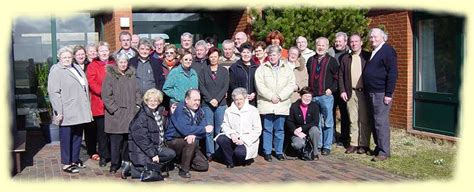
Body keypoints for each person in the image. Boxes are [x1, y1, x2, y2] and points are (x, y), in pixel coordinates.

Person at [48, 46, 93, 173]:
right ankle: (66, 163)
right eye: (64, 57)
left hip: (79, 108)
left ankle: (74, 160)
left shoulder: (76, 67)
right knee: (66, 137)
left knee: (78, 136)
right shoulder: (56, 70)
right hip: (67, 109)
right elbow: (53, 92)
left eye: (69, 57)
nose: (67, 59)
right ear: (59, 58)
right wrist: (58, 111)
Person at [255, 45, 296, 162]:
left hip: (281, 104)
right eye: (270, 55)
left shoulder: (287, 69)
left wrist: (280, 96)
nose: (272, 57)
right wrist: (271, 96)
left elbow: (291, 84)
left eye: (274, 55)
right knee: (267, 129)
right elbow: (260, 85)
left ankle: (278, 152)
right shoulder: (262, 69)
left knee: (279, 129)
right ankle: (267, 152)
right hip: (267, 103)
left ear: (279, 56)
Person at [102, 53, 141, 173]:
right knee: (115, 141)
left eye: (125, 62)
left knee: (127, 141)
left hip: (130, 113)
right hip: (116, 116)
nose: (123, 64)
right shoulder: (110, 75)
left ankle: (126, 163)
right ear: (116, 63)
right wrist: (114, 109)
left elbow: (137, 92)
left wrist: (137, 105)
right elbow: (106, 95)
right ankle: (114, 164)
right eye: (121, 62)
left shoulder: (132, 75)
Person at [362, 28, 398, 162]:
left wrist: (388, 93)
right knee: (373, 121)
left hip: (381, 93)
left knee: (380, 122)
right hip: (371, 92)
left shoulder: (388, 51)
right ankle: (378, 147)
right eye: (371, 37)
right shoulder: (374, 51)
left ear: (383, 37)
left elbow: (392, 73)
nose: (372, 39)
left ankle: (384, 152)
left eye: (375, 37)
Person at [127, 88, 176, 180]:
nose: (153, 103)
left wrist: (171, 114)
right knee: (144, 172)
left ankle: (152, 167)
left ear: (159, 101)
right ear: (146, 101)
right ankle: (133, 169)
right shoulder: (142, 116)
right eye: (150, 100)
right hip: (142, 149)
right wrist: (152, 154)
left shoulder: (159, 112)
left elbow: (164, 128)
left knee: (171, 154)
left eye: (155, 101)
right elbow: (142, 139)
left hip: (157, 146)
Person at [165, 89, 213, 178]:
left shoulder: (200, 111)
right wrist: (201, 130)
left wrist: (194, 133)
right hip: (173, 140)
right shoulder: (180, 109)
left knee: (203, 165)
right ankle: (184, 170)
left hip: (189, 141)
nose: (197, 103)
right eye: (195, 100)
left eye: (198, 100)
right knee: (191, 142)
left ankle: (180, 162)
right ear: (187, 100)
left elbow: (203, 132)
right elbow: (185, 129)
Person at [339, 34, 372, 154]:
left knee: (364, 119)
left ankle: (364, 144)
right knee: (353, 119)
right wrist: (342, 90)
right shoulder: (345, 58)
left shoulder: (367, 56)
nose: (354, 44)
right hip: (350, 92)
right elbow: (341, 76)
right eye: (351, 42)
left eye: (356, 41)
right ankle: (353, 143)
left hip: (364, 92)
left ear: (361, 43)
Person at [306, 37, 338, 156]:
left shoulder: (332, 61)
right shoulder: (311, 60)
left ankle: (327, 145)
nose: (320, 47)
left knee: (328, 122)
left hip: (325, 96)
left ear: (327, 47)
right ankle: (318, 145)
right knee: (316, 121)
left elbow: (337, 77)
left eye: (323, 45)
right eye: (318, 45)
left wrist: (332, 89)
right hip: (313, 96)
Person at [215, 88, 262, 168]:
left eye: (241, 99)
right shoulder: (229, 110)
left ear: (245, 98)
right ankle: (230, 161)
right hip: (234, 138)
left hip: (247, 140)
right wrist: (232, 134)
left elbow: (257, 130)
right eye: (236, 99)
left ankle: (243, 159)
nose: (238, 101)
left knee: (240, 153)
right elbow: (225, 125)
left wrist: (243, 140)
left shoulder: (253, 110)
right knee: (221, 139)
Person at [86, 41, 115, 167]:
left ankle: (114, 155)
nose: (104, 53)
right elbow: (91, 82)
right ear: (97, 53)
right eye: (101, 50)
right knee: (102, 132)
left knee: (114, 132)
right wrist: (104, 93)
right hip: (100, 103)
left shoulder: (114, 64)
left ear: (109, 51)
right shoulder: (93, 65)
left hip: (114, 103)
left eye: (106, 50)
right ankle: (104, 156)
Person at [198, 47, 229, 159]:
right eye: (211, 57)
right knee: (209, 130)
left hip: (221, 104)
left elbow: (225, 86)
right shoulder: (203, 70)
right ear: (208, 57)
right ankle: (210, 153)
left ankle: (218, 152)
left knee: (219, 130)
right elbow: (201, 86)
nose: (213, 59)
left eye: (215, 56)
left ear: (218, 57)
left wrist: (217, 99)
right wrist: (210, 99)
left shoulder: (224, 71)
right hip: (207, 104)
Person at [328, 32, 351, 147]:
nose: (337, 43)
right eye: (336, 41)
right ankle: (331, 137)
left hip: (344, 89)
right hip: (331, 88)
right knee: (330, 113)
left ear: (345, 42)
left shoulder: (349, 53)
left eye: (340, 42)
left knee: (345, 114)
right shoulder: (329, 52)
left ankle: (344, 138)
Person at [286, 87, 320, 160]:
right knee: (298, 144)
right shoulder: (293, 106)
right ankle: (300, 151)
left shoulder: (315, 106)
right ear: (301, 96)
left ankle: (315, 153)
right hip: (297, 132)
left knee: (315, 130)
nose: (307, 98)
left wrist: (302, 128)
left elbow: (315, 122)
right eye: (305, 96)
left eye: (309, 96)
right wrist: (295, 130)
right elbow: (289, 121)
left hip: (308, 130)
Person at [228, 43, 258, 107]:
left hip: (253, 101)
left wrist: (255, 93)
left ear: (252, 53)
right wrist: (242, 94)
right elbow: (232, 84)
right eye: (244, 52)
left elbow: (259, 83)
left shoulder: (256, 67)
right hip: (238, 100)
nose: (246, 54)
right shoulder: (234, 67)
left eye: (248, 52)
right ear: (240, 53)